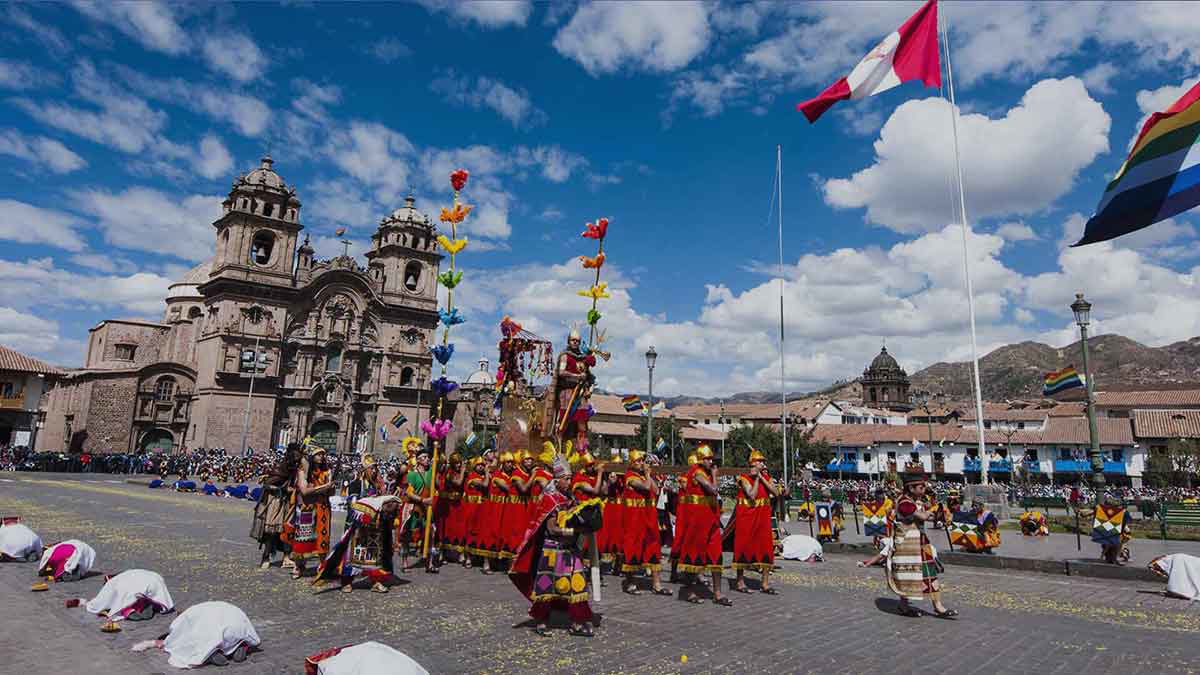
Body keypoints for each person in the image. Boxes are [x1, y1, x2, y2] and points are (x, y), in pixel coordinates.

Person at [510, 454, 602, 638]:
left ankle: (578, 621)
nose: (569, 482)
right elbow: (552, 528)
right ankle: (542, 620)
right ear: (557, 480)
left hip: (571, 550)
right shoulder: (550, 499)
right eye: (566, 479)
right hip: (552, 551)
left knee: (578, 585)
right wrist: (572, 531)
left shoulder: (570, 498)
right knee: (547, 587)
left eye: (570, 478)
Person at [886, 471, 956, 618]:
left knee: (930, 574)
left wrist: (938, 515)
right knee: (908, 576)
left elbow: (926, 517)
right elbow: (922, 516)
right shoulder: (905, 503)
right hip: (909, 546)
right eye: (921, 487)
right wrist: (932, 512)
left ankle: (938, 606)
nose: (924, 489)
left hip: (921, 544)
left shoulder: (914, 502)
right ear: (911, 488)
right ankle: (904, 606)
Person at [674, 445, 730, 606]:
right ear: (700, 459)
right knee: (693, 556)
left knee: (716, 555)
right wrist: (714, 475)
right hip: (698, 522)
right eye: (707, 459)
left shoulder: (703, 472)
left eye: (711, 458)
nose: (710, 461)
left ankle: (717, 593)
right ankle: (690, 591)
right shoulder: (697, 473)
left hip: (711, 520)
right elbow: (713, 490)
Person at [315, 494, 403, 593]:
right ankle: (346, 582)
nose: (389, 515)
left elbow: (391, 526)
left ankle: (376, 582)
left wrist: (394, 541)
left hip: (375, 538)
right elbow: (356, 518)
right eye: (388, 512)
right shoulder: (366, 507)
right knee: (351, 559)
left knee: (375, 560)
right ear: (385, 506)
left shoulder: (390, 509)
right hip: (358, 535)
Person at [619, 449, 671, 597]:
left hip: (648, 517)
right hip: (634, 519)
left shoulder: (644, 476)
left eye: (642, 461)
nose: (642, 463)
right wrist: (648, 475)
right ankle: (630, 582)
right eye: (638, 461)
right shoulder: (630, 477)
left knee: (653, 548)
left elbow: (654, 489)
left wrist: (651, 475)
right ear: (631, 463)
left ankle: (657, 584)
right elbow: (646, 487)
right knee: (633, 549)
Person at [732, 450, 779, 594]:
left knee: (766, 548)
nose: (763, 464)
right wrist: (757, 479)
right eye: (760, 461)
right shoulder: (743, 478)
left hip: (763, 518)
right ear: (753, 463)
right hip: (747, 518)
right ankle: (740, 582)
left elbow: (776, 492)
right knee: (743, 547)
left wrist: (762, 478)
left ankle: (765, 583)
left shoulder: (767, 478)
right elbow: (751, 495)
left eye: (763, 462)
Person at [286, 445, 334, 579]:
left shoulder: (327, 472)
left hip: (323, 508)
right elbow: (304, 490)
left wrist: (330, 488)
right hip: (306, 508)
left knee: (322, 538)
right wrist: (325, 487)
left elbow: (330, 492)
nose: (322, 457)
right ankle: (298, 566)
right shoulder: (303, 471)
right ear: (312, 457)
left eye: (323, 454)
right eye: (318, 454)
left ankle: (323, 566)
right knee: (304, 538)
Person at [252, 443, 301, 569]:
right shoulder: (281, 467)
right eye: (295, 457)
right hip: (276, 501)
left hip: (288, 502)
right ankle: (266, 557)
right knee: (272, 531)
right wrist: (285, 489)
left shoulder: (295, 469)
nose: (297, 460)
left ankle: (286, 557)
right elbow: (267, 484)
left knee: (288, 530)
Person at [549, 327, 596, 453]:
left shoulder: (581, 357)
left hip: (580, 393)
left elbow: (588, 374)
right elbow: (561, 372)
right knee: (564, 422)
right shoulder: (565, 356)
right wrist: (576, 376)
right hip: (567, 393)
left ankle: (581, 449)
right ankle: (559, 448)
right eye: (573, 340)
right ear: (568, 341)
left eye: (577, 341)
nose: (575, 342)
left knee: (582, 423)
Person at [402, 448, 437, 573]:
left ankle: (430, 562)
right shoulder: (412, 474)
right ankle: (405, 562)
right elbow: (409, 493)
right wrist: (423, 500)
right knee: (407, 535)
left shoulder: (431, 473)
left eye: (428, 457)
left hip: (427, 509)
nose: (427, 459)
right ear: (418, 460)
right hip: (414, 507)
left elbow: (436, 483)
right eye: (424, 457)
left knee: (431, 534)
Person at [437, 452, 466, 563]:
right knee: (446, 529)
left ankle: (460, 554)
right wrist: (463, 471)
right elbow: (458, 483)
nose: (459, 465)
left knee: (460, 529)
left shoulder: (460, 472)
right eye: (457, 463)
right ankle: (442, 554)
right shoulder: (449, 473)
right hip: (449, 505)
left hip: (459, 505)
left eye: (460, 463)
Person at [463, 457, 490, 571]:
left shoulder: (483, 476)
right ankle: (468, 558)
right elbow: (484, 485)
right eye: (479, 465)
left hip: (483, 509)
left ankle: (484, 561)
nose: (481, 467)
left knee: (483, 534)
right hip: (472, 509)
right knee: (470, 532)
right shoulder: (472, 477)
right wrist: (488, 473)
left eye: (483, 465)